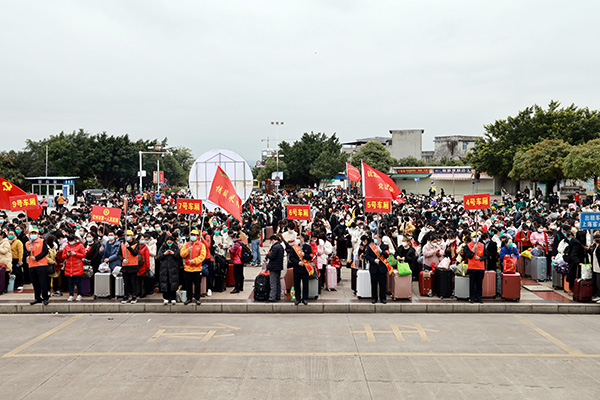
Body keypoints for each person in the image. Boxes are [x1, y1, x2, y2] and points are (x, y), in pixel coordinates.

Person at [180, 229, 206, 305]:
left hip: (197, 269)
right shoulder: (186, 245)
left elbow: (202, 256)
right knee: (188, 285)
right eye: (192, 235)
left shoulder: (201, 245)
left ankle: (197, 298)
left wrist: (194, 261)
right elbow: (182, 254)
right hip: (187, 269)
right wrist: (188, 250)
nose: (193, 236)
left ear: (197, 236)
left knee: (197, 285)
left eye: (194, 235)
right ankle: (189, 298)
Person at [25, 228, 50, 305]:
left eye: (34, 233)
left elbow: (45, 252)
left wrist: (36, 258)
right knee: (35, 283)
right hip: (31, 265)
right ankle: (37, 298)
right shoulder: (27, 243)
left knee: (43, 282)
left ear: (38, 235)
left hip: (41, 265)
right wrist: (28, 251)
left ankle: (45, 298)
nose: (33, 235)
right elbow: (25, 253)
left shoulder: (42, 241)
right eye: (31, 233)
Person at [287, 234, 312, 305]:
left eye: (301, 238)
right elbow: (291, 258)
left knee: (305, 284)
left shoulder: (308, 247)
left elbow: (310, 257)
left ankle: (305, 298)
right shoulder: (295, 248)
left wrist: (304, 255)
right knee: (296, 284)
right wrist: (297, 262)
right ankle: (297, 298)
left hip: (305, 269)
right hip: (297, 268)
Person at [157, 234, 182, 305]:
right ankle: (166, 298)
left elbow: (179, 256)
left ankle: (173, 298)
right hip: (164, 268)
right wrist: (164, 254)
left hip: (173, 268)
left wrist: (173, 253)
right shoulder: (162, 247)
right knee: (165, 283)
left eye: (171, 242)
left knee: (173, 283)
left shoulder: (175, 247)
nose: (169, 243)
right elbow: (159, 257)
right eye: (168, 242)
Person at [365, 234, 390, 304]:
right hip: (373, 267)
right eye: (374, 238)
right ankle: (374, 298)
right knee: (373, 284)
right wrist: (373, 260)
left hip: (382, 268)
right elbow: (367, 256)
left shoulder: (385, 246)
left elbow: (386, 255)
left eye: (376, 238)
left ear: (380, 239)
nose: (375, 239)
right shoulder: (371, 246)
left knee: (383, 284)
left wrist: (381, 251)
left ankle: (383, 298)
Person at [117, 230, 140, 304]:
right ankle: (126, 296)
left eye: (129, 235)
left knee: (133, 282)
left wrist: (129, 247)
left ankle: (134, 296)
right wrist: (122, 259)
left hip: (133, 266)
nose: (127, 237)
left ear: (132, 236)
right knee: (126, 283)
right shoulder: (122, 243)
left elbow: (135, 253)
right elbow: (119, 254)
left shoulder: (136, 243)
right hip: (125, 266)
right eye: (126, 235)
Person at [464, 233, 488, 304]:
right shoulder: (468, 246)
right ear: (471, 238)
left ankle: (479, 298)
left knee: (479, 284)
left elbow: (486, 256)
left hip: (480, 268)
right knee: (472, 284)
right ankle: (472, 298)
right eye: (474, 236)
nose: (475, 238)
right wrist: (473, 249)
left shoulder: (482, 246)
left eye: (477, 236)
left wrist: (480, 258)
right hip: (472, 267)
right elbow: (469, 256)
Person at [61, 234, 86, 301]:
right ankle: (71, 295)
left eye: (71, 240)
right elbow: (63, 256)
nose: (70, 242)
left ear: (75, 240)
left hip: (77, 266)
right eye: (69, 240)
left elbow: (84, 254)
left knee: (78, 282)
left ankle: (79, 294)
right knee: (70, 282)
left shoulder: (80, 246)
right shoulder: (66, 246)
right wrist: (67, 254)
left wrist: (76, 254)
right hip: (69, 267)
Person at [265, 235, 284, 302]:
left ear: (273, 240)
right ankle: (277, 295)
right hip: (278, 266)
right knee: (277, 282)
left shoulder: (275, 247)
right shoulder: (280, 246)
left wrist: (267, 254)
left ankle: (272, 297)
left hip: (274, 267)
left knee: (273, 283)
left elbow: (272, 256)